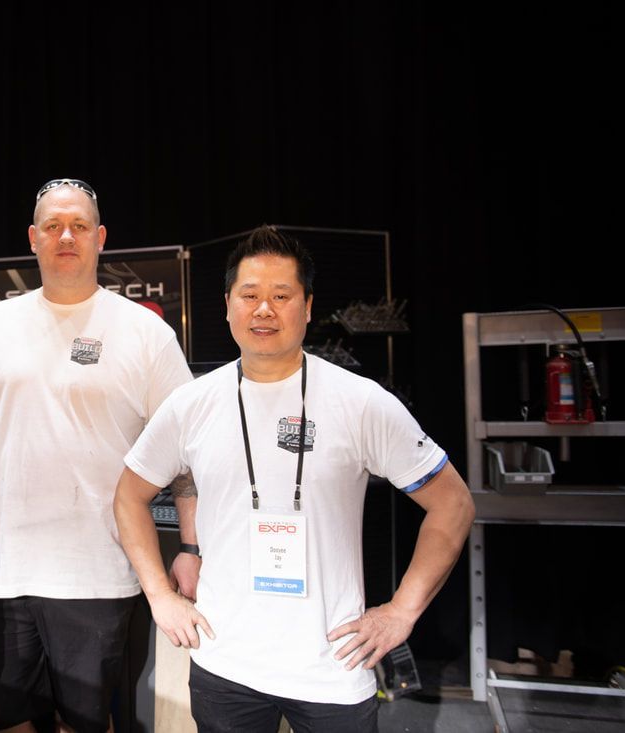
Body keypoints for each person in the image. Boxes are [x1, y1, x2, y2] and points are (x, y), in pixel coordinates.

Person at [113, 224, 475, 732]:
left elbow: (453, 504)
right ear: (227, 305)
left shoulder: (361, 402)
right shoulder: (190, 404)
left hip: (331, 668)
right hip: (224, 663)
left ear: (306, 307)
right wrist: (159, 595)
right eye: (251, 295)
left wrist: (402, 610)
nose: (265, 309)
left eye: (281, 296)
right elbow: (129, 496)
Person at [0, 178, 197, 732]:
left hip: (99, 574)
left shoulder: (146, 333)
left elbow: (187, 456)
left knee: (86, 724)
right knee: (5, 723)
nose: (65, 236)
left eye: (78, 225)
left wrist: (192, 546)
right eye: (52, 226)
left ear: (100, 237)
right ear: (33, 238)